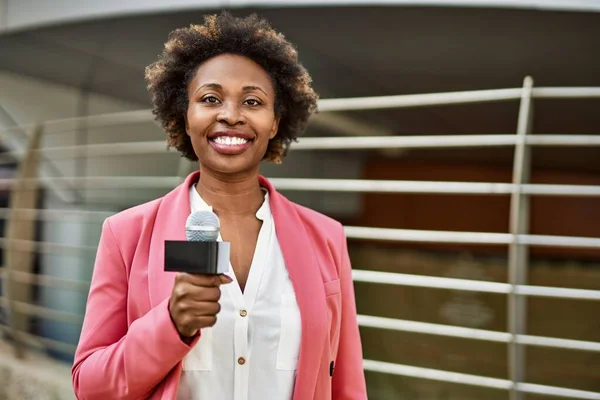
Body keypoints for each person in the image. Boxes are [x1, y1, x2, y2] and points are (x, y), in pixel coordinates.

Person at [72, 12, 367, 400]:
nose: (230, 115)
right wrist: (170, 324)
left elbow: (346, 383)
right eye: (210, 99)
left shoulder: (326, 236)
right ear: (185, 115)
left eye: (252, 101)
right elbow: (90, 386)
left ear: (275, 122)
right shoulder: (126, 234)